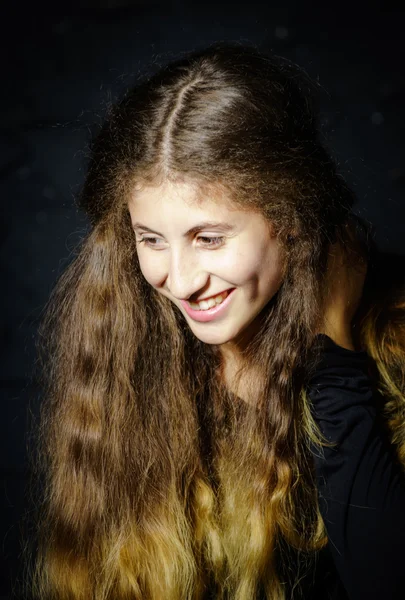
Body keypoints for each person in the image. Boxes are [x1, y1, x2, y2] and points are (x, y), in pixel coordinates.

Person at [29, 43, 405, 600]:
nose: (179, 282)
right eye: (151, 239)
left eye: (209, 238)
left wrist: (335, 353)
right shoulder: (126, 352)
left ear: (291, 219)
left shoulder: (393, 339)